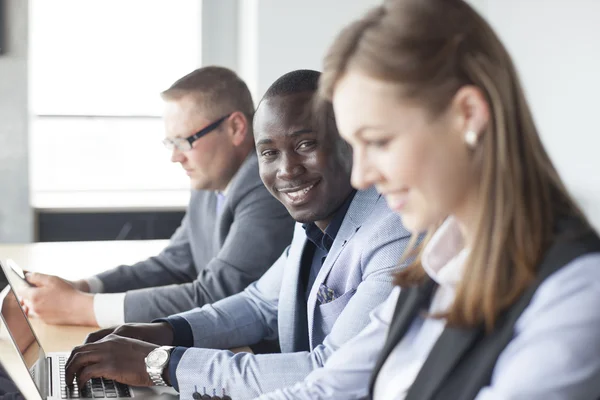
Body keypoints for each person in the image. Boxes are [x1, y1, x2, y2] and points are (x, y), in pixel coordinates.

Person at [255, 1, 600, 399]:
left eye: (379, 141)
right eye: (354, 145)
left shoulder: (574, 293)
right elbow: (325, 390)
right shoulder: (436, 264)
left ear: (467, 114)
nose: (361, 175)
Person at [62, 69, 412, 400]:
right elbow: (258, 305)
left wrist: (161, 364)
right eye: (270, 153)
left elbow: (329, 372)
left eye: (306, 144)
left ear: (348, 143)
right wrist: (164, 331)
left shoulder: (394, 232)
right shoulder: (313, 220)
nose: (287, 170)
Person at [19, 66, 295, 327]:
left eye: (184, 141)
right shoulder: (210, 181)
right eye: (170, 143)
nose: (175, 157)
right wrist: (86, 287)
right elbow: (173, 264)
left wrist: (81, 308)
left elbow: (218, 294)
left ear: (235, 128)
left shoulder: (266, 188)